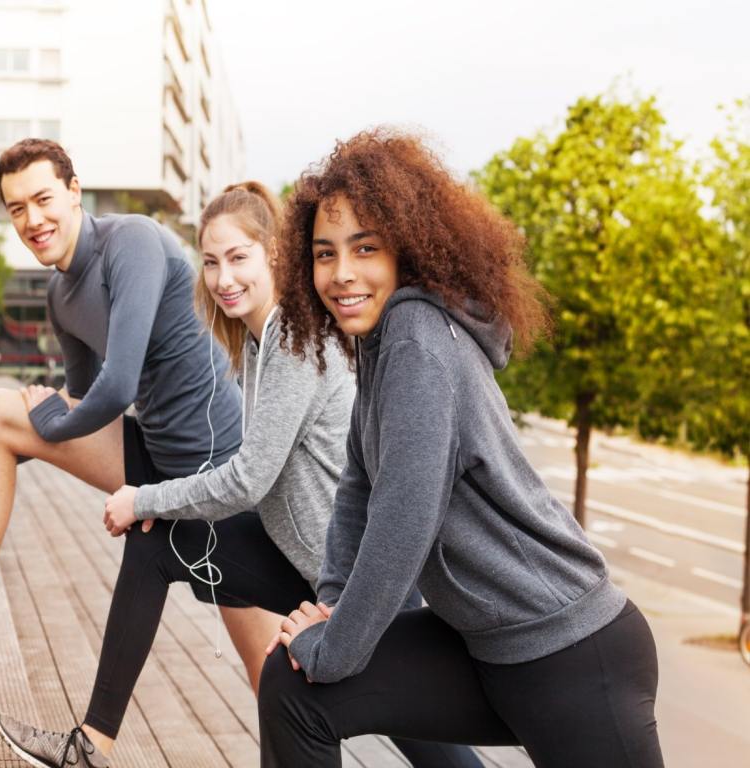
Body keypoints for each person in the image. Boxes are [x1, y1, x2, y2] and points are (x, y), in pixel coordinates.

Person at [0, 182, 483, 768]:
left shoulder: (300, 342)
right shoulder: (258, 342)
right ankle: (91, 746)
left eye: (238, 258)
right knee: (158, 549)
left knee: (434, 751)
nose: (223, 278)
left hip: (359, 581)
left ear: (273, 255)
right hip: (304, 561)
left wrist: (144, 498)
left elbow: (248, 480)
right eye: (210, 263)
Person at [259, 129, 664, 768]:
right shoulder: (379, 345)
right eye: (324, 253)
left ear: (406, 250)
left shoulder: (417, 339)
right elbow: (358, 492)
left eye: (365, 248)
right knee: (293, 688)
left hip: (573, 656)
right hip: (486, 651)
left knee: (311, 673)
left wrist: (334, 648)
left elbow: (406, 516)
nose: (341, 274)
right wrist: (331, 608)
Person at [0, 138, 272, 695]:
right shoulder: (60, 294)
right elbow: (82, 400)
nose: (33, 219)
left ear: (74, 192)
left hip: (218, 477)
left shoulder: (132, 243)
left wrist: (45, 429)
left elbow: (117, 384)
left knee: (275, 680)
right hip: (153, 457)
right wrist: (9, 443)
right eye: (16, 208)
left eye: (43, 198)